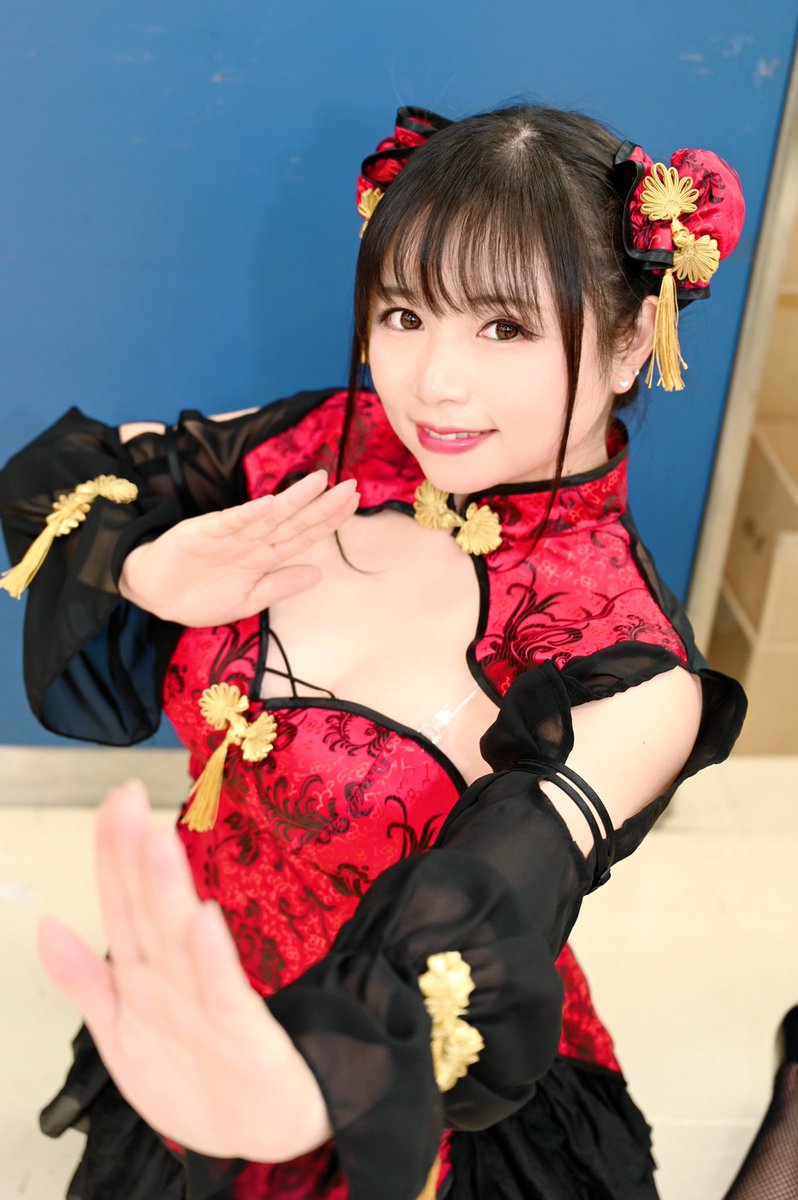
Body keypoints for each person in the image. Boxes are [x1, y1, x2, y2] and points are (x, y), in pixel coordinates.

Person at [0, 103, 759, 1200]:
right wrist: (144, 569)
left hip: (390, 1102)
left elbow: (490, 900)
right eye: (405, 313)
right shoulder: (327, 444)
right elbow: (62, 477)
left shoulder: (626, 671)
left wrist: (310, 1094)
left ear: (635, 337)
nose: (432, 382)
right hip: (208, 1006)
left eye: (504, 328)